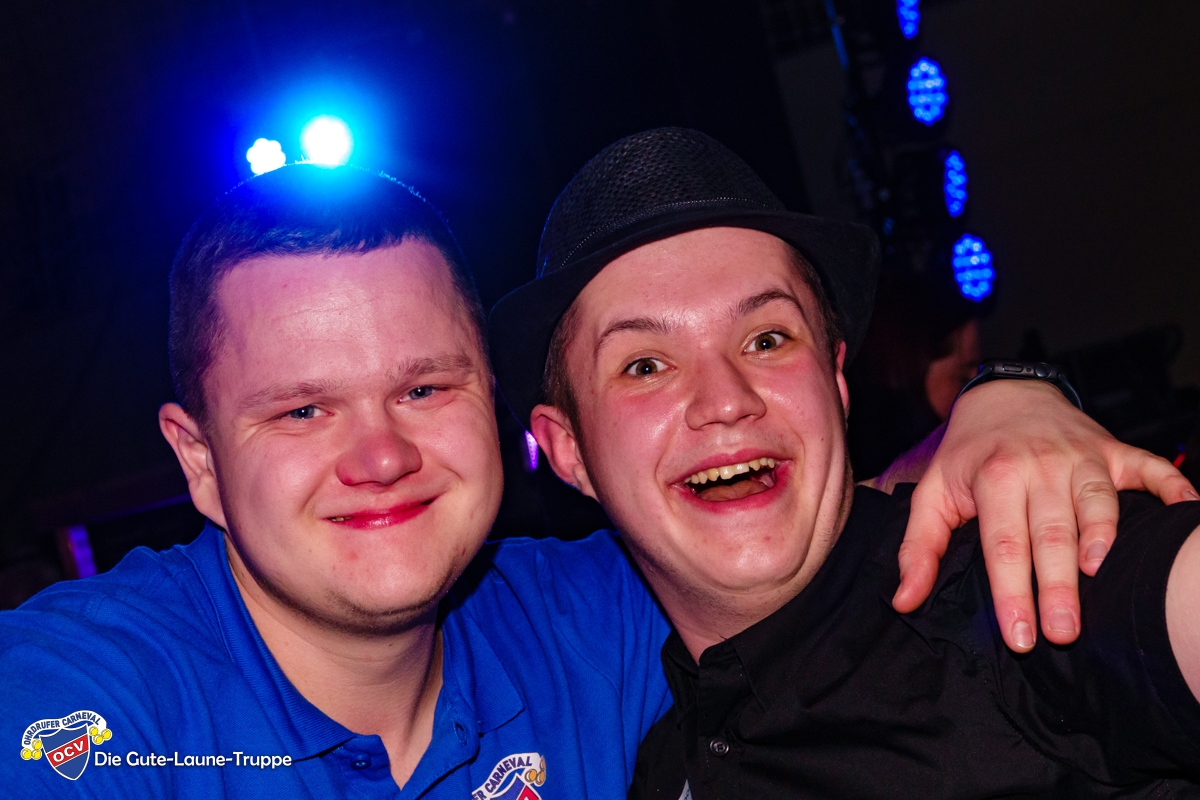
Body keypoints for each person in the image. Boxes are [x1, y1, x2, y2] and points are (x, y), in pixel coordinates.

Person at [0, 162, 1187, 797]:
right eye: (303, 409)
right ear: (199, 460)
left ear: (511, 425)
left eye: (425, 387)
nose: (380, 455)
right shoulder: (88, 695)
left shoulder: (596, 611)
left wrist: (1013, 399)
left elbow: (838, 529)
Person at [488, 127, 1200, 797]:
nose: (726, 400)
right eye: (645, 365)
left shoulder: (999, 590)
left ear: (835, 380)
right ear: (568, 450)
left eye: (767, 339)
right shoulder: (644, 751)